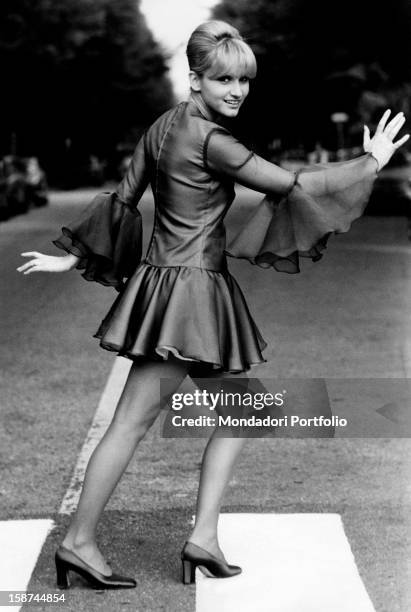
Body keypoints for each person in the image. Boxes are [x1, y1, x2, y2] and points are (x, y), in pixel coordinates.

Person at [17, 20, 408, 590]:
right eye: (223, 78)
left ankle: (203, 538)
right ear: (195, 78)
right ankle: (78, 543)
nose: (236, 90)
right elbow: (291, 185)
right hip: (189, 296)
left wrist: (75, 256)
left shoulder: (164, 125)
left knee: (246, 409)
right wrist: (368, 163)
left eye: (244, 79)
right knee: (131, 421)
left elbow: (124, 199)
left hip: (179, 291)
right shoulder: (213, 140)